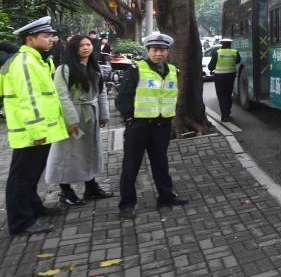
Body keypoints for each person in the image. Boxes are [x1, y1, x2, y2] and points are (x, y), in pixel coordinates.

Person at [0, 17, 69, 235]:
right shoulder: (25, 63)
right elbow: (28, 101)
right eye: (46, 36)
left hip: (40, 131)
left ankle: (33, 208)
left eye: (51, 35)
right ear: (30, 40)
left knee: (31, 175)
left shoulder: (38, 60)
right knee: (21, 177)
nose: (52, 39)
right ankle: (21, 222)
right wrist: (38, 131)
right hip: (31, 132)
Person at [115, 32, 188, 220]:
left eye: (162, 50)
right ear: (148, 50)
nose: (158, 54)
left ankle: (166, 196)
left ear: (167, 52)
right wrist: (130, 119)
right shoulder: (136, 69)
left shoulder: (172, 70)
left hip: (161, 125)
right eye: (155, 50)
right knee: (131, 166)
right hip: (139, 126)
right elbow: (122, 98)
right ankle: (127, 204)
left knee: (161, 163)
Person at [48, 36, 112, 206]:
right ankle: (66, 191)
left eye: (88, 44)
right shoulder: (64, 69)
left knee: (89, 152)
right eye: (81, 45)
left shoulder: (94, 67)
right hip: (73, 118)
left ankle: (91, 187)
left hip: (91, 116)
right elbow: (62, 96)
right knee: (66, 154)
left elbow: (101, 92)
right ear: (73, 48)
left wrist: (104, 114)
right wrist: (71, 120)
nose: (86, 47)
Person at [208, 38, 240, 122]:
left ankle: (224, 115)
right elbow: (238, 61)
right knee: (228, 94)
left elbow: (211, 65)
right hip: (231, 76)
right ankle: (228, 112)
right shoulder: (234, 52)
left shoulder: (217, 52)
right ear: (230, 44)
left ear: (222, 44)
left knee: (221, 96)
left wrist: (211, 69)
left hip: (219, 77)